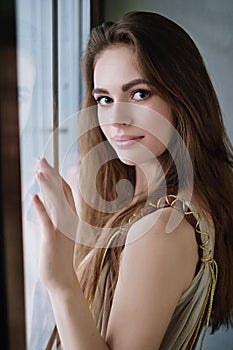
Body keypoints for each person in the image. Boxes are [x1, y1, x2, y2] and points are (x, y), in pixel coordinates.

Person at [33, 11, 233, 350]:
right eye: (105, 99)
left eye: (139, 94)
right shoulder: (162, 206)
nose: (116, 119)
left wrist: (60, 281)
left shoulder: (160, 229)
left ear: (181, 96)